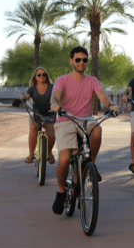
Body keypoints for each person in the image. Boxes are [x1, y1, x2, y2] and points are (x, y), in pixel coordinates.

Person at [49, 46, 119, 215]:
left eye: (85, 60)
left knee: (97, 130)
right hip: (66, 119)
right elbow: (55, 95)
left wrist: (110, 105)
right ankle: (60, 192)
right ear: (71, 61)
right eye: (78, 59)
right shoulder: (63, 80)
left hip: (85, 120)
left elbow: (102, 95)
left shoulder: (92, 81)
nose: (82, 62)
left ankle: (90, 167)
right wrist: (56, 105)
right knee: (65, 159)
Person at [19, 67, 56, 164]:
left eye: (43, 74)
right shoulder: (32, 89)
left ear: (46, 76)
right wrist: (23, 98)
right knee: (33, 128)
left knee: (51, 134)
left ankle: (49, 153)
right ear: (35, 77)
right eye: (39, 75)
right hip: (36, 113)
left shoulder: (52, 87)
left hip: (49, 113)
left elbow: (58, 95)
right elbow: (26, 96)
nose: (41, 76)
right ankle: (31, 154)